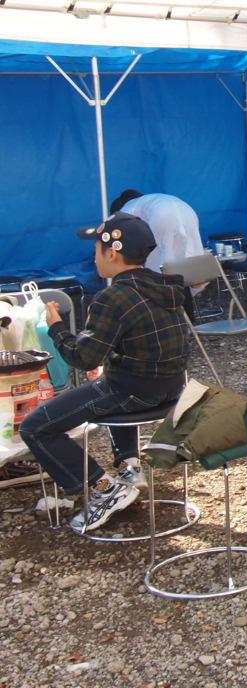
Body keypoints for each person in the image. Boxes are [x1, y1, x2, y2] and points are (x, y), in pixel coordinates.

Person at [21, 212, 190, 531]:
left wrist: (56, 327)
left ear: (111, 253)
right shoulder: (168, 285)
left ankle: (104, 488)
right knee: (107, 377)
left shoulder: (112, 297)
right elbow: (145, 338)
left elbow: (82, 357)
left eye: (96, 249)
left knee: (36, 427)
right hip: (171, 390)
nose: (94, 256)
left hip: (133, 393)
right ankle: (130, 465)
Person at [109, 189, 204, 273]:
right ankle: (197, 290)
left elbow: (127, 243)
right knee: (191, 256)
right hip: (187, 211)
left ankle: (166, 290)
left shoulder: (125, 209)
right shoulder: (149, 200)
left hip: (162, 216)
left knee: (158, 263)